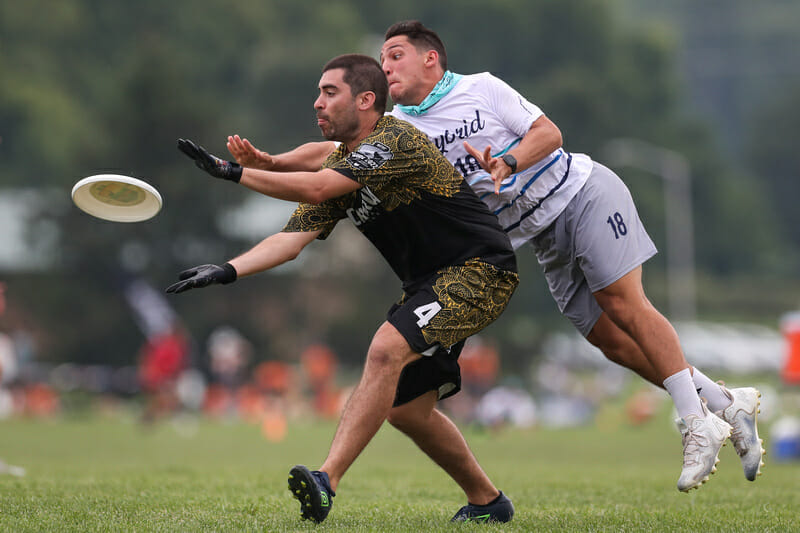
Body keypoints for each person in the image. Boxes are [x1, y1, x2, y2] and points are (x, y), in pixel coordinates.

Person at [226, 21, 765, 493]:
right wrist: (271, 159)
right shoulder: (402, 131)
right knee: (608, 341)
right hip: (538, 237)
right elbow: (326, 154)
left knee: (622, 303)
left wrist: (507, 160)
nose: (385, 67)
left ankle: (695, 423)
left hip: (579, 192)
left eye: (396, 55)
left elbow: (548, 133)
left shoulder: (480, 88)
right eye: (382, 59)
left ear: (430, 58)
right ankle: (724, 401)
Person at [167, 54, 520, 524]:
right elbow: (290, 241)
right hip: (431, 285)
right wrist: (227, 269)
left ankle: (326, 480)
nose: (318, 103)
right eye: (318, 93)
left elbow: (314, 187)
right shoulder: (344, 168)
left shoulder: (393, 139)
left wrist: (232, 172)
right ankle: (488, 502)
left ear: (367, 99)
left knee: (385, 349)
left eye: (329, 92)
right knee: (407, 411)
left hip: (480, 270)